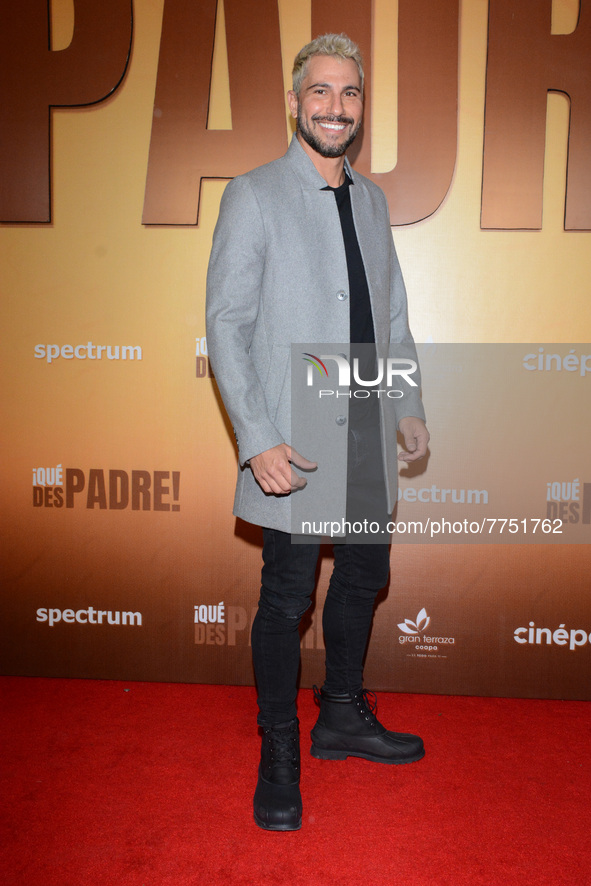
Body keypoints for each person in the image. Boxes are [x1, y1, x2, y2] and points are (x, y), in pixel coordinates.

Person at [206, 33, 429, 831]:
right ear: (296, 103)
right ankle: (278, 749)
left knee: (364, 577)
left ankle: (339, 714)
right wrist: (256, 436)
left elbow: (392, 316)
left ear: (361, 108)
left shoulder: (370, 201)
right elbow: (226, 324)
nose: (336, 107)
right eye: (322, 92)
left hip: (366, 426)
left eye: (350, 94)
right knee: (287, 597)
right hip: (294, 436)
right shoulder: (254, 193)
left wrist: (407, 405)